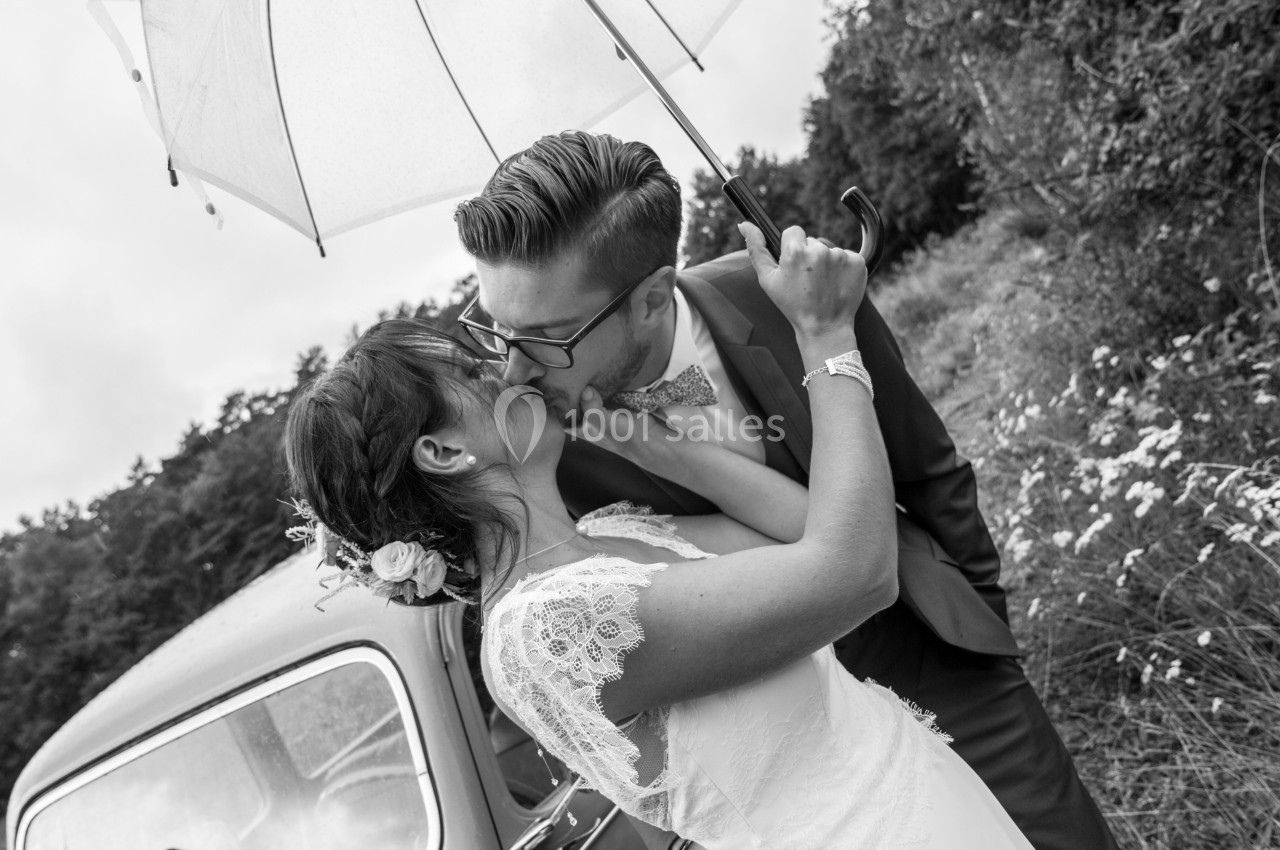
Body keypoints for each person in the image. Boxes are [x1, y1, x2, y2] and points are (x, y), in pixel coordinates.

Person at [451, 131, 1118, 850]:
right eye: (498, 328)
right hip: (792, 739)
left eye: (546, 337)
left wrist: (980, 624)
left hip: (934, 653)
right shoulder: (540, 442)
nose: (516, 370)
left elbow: (928, 467)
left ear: (650, 299)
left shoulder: (794, 293)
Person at [285, 224, 1033, 848]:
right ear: (445, 453)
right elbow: (858, 570)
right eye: (474, 373)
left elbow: (821, 526)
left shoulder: (614, 532)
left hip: (928, 795)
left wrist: (654, 449)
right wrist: (826, 335)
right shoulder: (543, 631)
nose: (511, 366)